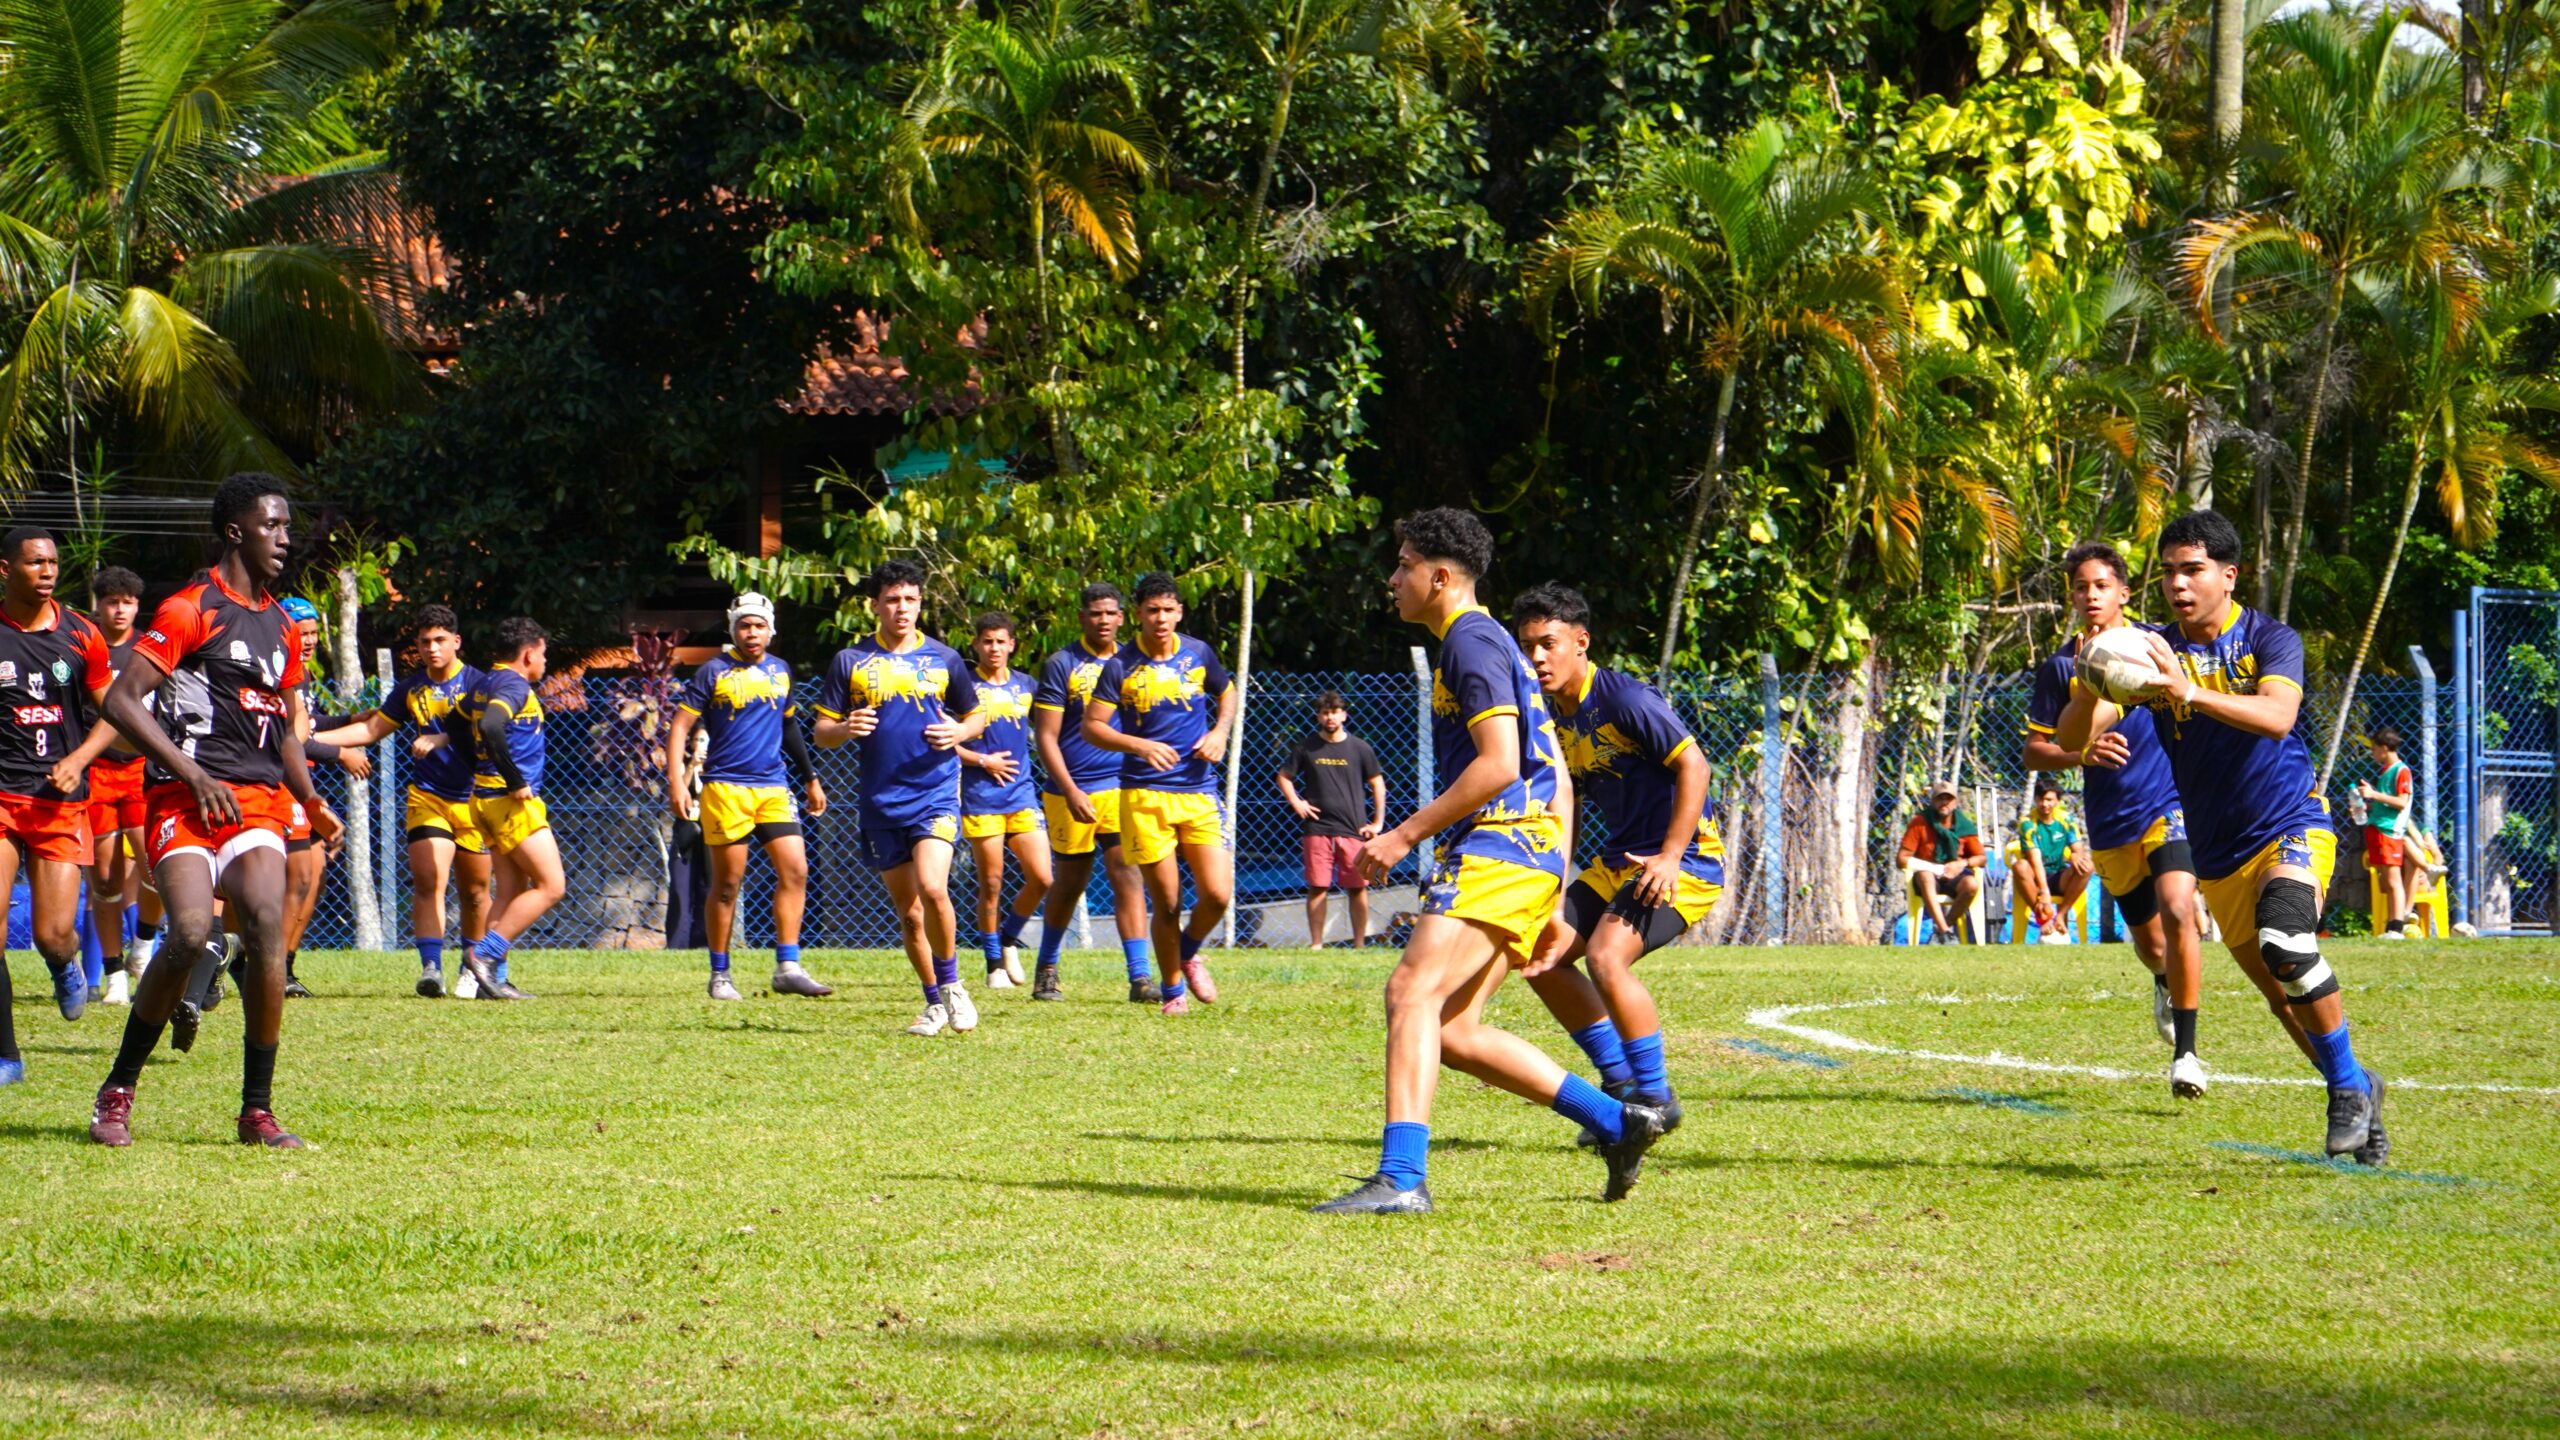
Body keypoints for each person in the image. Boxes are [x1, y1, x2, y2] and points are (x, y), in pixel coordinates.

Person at [1313, 508, 1666, 1216]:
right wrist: (1552, 880)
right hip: (1521, 854)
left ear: (1441, 576)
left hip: (1499, 847)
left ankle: (1401, 1179)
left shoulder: (1470, 642)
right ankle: (1615, 1119)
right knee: (1451, 1030)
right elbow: (1553, 772)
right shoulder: (1487, 641)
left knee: (1409, 992)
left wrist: (1402, 835)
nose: (1394, 579)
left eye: (1405, 565)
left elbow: (1501, 764)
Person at [2058, 508, 2387, 1164]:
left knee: (2286, 942)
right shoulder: (2149, 650)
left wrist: (2188, 692)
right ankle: (2356, 1084)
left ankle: (2348, 1090)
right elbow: (2071, 738)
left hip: (2290, 823)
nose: (2178, 585)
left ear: (2229, 576)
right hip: (2218, 855)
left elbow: (2277, 715)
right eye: (2169, 573)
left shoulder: (2268, 638)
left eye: (2193, 570)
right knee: (2284, 1001)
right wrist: (2093, 681)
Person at [89, 473, 343, 1147]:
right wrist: (193, 773)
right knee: (188, 932)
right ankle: (117, 1090)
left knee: (265, 923)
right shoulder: (189, 610)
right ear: (236, 531)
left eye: (287, 527)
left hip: (257, 803)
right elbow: (121, 702)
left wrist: (312, 801)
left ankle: (256, 1111)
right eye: (271, 526)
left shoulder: (283, 624)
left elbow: (286, 736)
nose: (284, 538)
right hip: (183, 798)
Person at [1511, 581, 1718, 1140]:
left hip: (1686, 862)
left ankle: (1655, 1097)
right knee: (1540, 955)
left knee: (1605, 956)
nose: (1536, 657)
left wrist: (1670, 857)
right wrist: (1555, 881)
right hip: (1616, 863)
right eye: (1527, 645)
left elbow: (1695, 767)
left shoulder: (1626, 699)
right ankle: (1621, 1087)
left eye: (1548, 643)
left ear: (1581, 642)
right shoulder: (1551, 715)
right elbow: (1566, 801)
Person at [2024, 541, 2214, 1098]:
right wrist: (2082, 753)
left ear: (2124, 593)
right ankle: (2162, 979)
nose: (2091, 596)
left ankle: (2187, 1054)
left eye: (2101, 586)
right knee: (2152, 946)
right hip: (2111, 819)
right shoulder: (2062, 667)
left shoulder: (2156, 645)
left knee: (2179, 908)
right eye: (2081, 587)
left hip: (2168, 804)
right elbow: (2036, 752)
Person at [814, 561, 987, 1037]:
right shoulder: (851, 661)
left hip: (935, 792)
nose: (902, 608)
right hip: (881, 800)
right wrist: (845, 728)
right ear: (875, 605)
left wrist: (959, 732)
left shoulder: (944, 659)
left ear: (920, 603)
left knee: (933, 888)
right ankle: (934, 1003)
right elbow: (821, 731)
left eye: (910, 599)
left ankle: (953, 986)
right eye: (892, 600)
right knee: (910, 915)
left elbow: (976, 716)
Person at [311, 605, 492, 998]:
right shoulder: (411, 688)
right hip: (428, 798)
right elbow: (371, 729)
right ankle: (431, 969)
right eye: (425, 641)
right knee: (429, 880)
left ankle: (472, 968)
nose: (432, 648)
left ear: (456, 641)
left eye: (440, 640)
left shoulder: (480, 685)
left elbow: (490, 732)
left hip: (476, 800)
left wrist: (444, 739)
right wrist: (308, 741)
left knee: (476, 891)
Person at [663, 592, 832, 1001]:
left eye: (759, 625)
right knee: (726, 884)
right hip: (726, 788)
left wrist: (810, 778)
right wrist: (676, 782)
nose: (752, 632)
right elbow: (680, 727)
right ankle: (720, 974)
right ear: (733, 628)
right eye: (744, 625)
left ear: (771, 630)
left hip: (773, 787)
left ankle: (787, 967)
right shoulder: (713, 671)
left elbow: (789, 727)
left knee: (796, 870)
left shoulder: (780, 670)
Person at [1081, 572, 1236, 1016]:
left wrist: (1219, 733)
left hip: (1199, 791)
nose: (1161, 618)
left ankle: (1187, 952)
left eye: (1168, 610)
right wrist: (1139, 745)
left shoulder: (1198, 653)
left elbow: (1227, 693)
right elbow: (1092, 726)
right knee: (1167, 902)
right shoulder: (1120, 666)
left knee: (1217, 894)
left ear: (1180, 612)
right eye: (1152, 611)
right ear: (1138, 615)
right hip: (1143, 795)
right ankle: (1172, 991)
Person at [0, 528, 115, 1088]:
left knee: (51, 933)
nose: (47, 570)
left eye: (52, 561)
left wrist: (80, 758)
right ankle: (7, 1055)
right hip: (2, 798)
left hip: (59, 803)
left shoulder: (81, 634)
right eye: (34, 562)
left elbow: (116, 712)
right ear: (6, 570)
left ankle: (63, 963)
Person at [1029, 583, 1155, 1003]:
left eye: (1110, 613)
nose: (1103, 620)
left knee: (1128, 874)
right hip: (1070, 791)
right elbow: (1046, 737)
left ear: (1122, 617)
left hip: (1121, 787)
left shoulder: (1136, 662)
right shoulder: (1062, 664)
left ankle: (1140, 978)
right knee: (1070, 883)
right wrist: (1070, 790)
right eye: (1095, 613)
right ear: (1082, 617)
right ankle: (1047, 968)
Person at [448, 617, 564, 1002]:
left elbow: (455, 721)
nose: (545, 661)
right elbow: (493, 725)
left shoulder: (485, 682)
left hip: (483, 799)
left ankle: (493, 980)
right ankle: (483, 955)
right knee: (551, 886)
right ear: (528, 654)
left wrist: (477, 764)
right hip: (509, 802)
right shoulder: (513, 685)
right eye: (543, 653)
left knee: (511, 890)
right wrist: (514, 779)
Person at [267, 595, 368, 998]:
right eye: (301, 633)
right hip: (277, 784)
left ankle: (284, 966)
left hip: (299, 785)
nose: (308, 640)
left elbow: (309, 724)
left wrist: (352, 720)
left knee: (314, 875)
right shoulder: (275, 673)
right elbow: (288, 741)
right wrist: (342, 752)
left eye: (312, 633)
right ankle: (261, 964)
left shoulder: (302, 674)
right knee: (297, 876)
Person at [955, 612, 1051, 989]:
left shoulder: (1027, 685)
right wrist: (983, 761)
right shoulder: (963, 687)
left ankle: (1008, 938)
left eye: (1001, 641)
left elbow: (1050, 730)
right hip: (981, 797)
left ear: (1012, 645)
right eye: (987, 641)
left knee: (1042, 877)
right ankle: (994, 963)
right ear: (976, 644)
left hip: (1022, 794)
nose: (994, 648)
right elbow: (946, 740)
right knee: (991, 882)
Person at [83, 566, 149, 1007]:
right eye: (112, 602)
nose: (120, 610)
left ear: (137, 606)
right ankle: (114, 976)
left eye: (127, 602)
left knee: (155, 866)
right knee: (105, 880)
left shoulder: (149, 650)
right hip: (97, 773)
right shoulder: (85, 646)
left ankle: (144, 944)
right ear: (99, 605)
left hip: (143, 770)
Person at [1274, 692, 1386, 947]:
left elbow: (1377, 784)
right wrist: (1297, 802)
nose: (1330, 717)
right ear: (1318, 717)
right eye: (1325, 713)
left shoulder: (1360, 748)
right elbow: (1284, 776)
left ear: (1344, 715)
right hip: (1317, 828)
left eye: (1335, 712)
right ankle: (1317, 944)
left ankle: (1359, 944)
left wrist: (1377, 823)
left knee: (1357, 887)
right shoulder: (1306, 747)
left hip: (1353, 828)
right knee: (1317, 886)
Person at [1897, 783, 1985, 942]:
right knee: (1925, 876)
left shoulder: (1964, 826)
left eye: (1948, 799)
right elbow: (1902, 858)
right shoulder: (1920, 822)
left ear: (1955, 803)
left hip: (1954, 876)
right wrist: (1933, 868)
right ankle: (1946, 932)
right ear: (1932, 802)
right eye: (1940, 799)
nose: (1944, 803)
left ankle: (1943, 930)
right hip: (1927, 877)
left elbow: (1981, 858)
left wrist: (1961, 864)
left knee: (1971, 884)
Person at [2010, 782, 2090, 943]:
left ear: (2057, 801)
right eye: (2041, 799)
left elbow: (2078, 850)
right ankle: (2043, 919)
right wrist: (2044, 892)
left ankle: (2060, 916)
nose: (2044, 804)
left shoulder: (2066, 819)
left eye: (2049, 800)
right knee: (2020, 866)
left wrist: (2074, 856)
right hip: (2035, 878)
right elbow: (2035, 859)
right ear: (2035, 799)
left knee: (2087, 867)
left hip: (2059, 876)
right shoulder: (2027, 823)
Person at [2359, 726, 2417, 938]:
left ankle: (2396, 927)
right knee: (2386, 882)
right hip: (2377, 828)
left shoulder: (2402, 771)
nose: (2372, 754)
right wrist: (2365, 806)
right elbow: (2385, 803)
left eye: (2374, 749)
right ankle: (2391, 925)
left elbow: (2401, 802)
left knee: (2393, 881)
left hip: (2389, 831)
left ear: (2384, 748)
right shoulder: (2385, 771)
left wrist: (2373, 794)